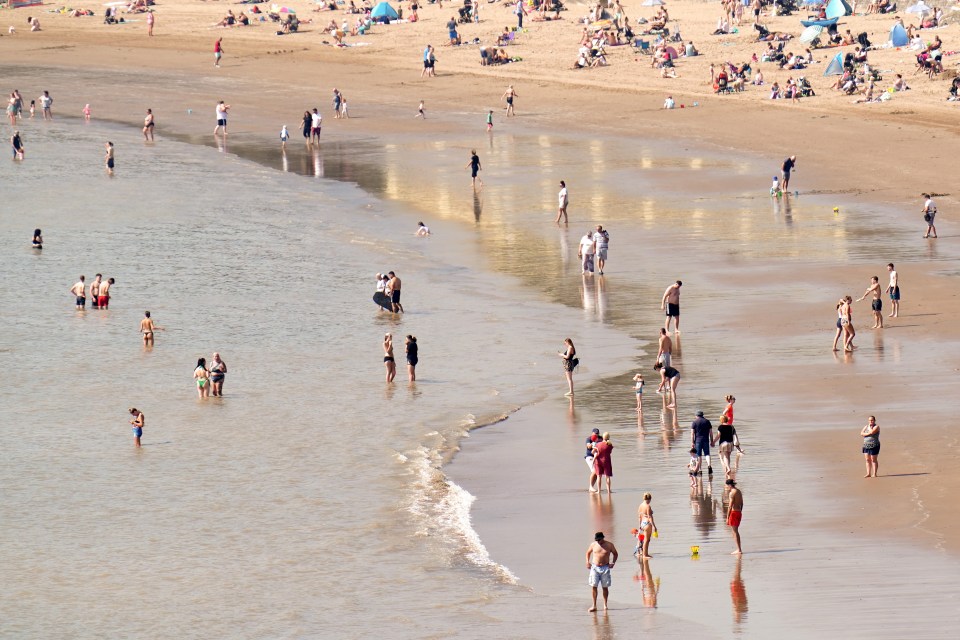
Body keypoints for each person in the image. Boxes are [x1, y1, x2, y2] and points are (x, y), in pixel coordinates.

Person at [585, 532, 618, 612]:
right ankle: (594, 605)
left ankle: (605, 605)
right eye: (597, 540)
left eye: (599, 540)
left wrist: (613, 563)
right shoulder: (593, 544)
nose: (598, 541)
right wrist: (587, 562)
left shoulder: (609, 545)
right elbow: (588, 552)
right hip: (595, 567)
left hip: (605, 567)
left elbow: (615, 554)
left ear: (603, 538)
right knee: (594, 586)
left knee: (605, 587)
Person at [691, 410, 713, 475]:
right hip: (706, 440)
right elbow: (711, 432)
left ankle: (700, 469)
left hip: (697, 440)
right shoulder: (707, 421)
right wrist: (712, 441)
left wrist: (692, 442)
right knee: (707, 454)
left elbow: (692, 434)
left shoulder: (694, 422)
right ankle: (709, 465)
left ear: (696, 416)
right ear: (702, 415)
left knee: (699, 455)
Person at [637, 493, 657, 558]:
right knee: (647, 540)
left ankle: (642, 553)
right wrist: (654, 526)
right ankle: (645, 555)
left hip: (642, 523)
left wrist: (640, 525)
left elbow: (639, 516)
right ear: (650, 499)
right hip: (647, 524)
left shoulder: (640, 505)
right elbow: (649, 517)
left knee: (644, 539)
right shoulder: (648, 506)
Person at [725, 479, 743, 554]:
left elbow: (730, 506)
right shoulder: (738, 491)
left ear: (729, 485)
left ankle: (739, 549)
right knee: (734, 531)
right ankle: (738, 548)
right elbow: (742, 503)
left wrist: (727, 517)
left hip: (734, 512)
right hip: (739, 512)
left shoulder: (732, 493)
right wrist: (740, 511)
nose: (727, 487)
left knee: (735, 531)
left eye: (727, 486)